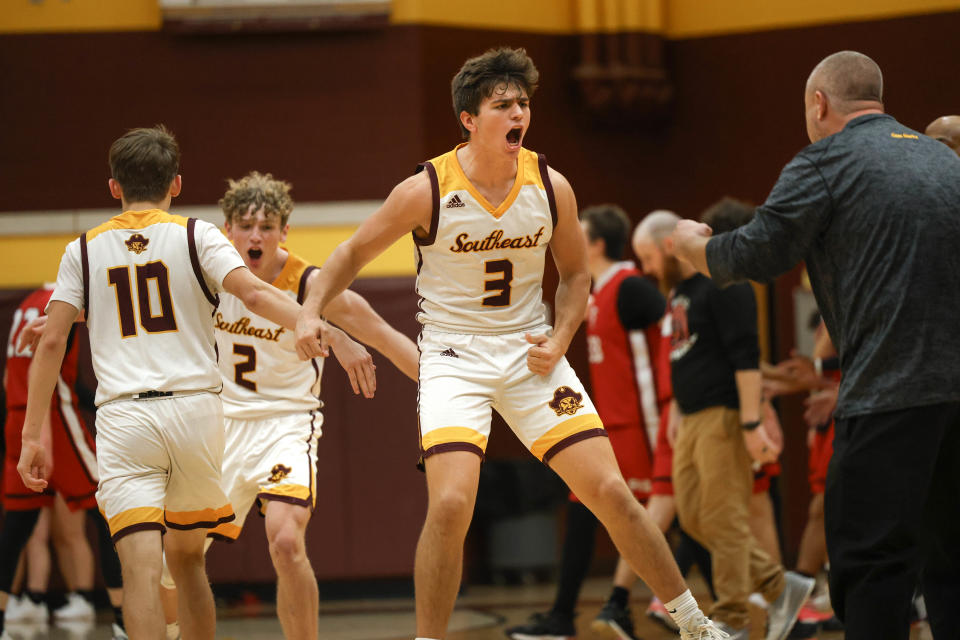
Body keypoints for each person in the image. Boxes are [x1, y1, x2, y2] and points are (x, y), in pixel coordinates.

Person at [294, 47, 725, 640]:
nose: (519, 112)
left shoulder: (551, 186)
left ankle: (696, 624)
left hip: (529, 354)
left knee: (611, 492)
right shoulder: (424, 189)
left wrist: (562, 336)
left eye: (523, 103)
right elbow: (347, 255)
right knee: (449, 506)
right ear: (469, 119)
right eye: (503, 104)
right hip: (453, 358)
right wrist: (310, 313)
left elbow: (576, 276)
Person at [671, 51, 960, 640]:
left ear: (819, 103)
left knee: (870, 568)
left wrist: (689, 246)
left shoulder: (826, 160)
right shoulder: (944, 160)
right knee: (952, 565)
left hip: (887, 397)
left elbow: (752, 254)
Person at [16, 125, 316, 640]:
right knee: (187, 563)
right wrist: (310, 323)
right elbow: (257, 296)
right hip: (195, 415)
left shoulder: (81, 252)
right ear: (176, 183)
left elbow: (49, 344)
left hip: (125, 420)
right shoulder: (200, 235)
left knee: (139, 571)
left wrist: (30, 435)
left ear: (114, 187)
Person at [158, 171, 419, 640]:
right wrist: (67, 311)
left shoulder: (310, 285)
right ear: (227, 229)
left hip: (286, 424)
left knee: (285, 541)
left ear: (284, 231)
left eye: (267, 226)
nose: (255, 236)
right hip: (219, 428)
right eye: (245, 225)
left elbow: (385, 336)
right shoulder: (209, 276)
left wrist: (448, 393)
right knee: (175, 556)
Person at [633, 203, 814, 640]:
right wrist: (676, 408)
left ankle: (731, 619)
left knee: (725, 519)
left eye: (650, 256)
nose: (649, 266)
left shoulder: (725, 284)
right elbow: (689, 355)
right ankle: (779, 585)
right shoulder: (681, 293)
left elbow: (744, 357)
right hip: (691, 419)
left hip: (724, 416)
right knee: (694, 518)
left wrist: (751, 425)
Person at [505, 204, 668, 640]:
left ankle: (678, 606)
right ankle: (566, 616)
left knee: (668, 513)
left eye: (581, 230)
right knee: (583, 515)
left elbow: (672, 336)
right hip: (606, 425)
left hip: (643, 427)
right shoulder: (593, 292)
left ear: (596, 243)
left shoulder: (632, 288)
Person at [1, 286, 126, 640]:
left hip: (16, 416)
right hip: (50, 416)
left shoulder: (25, 303)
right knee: (109, 509)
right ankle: (122, 621)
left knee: (18, 528)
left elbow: (10, 376)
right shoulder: (62, 302)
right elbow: (49, 358)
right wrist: (42, 434)